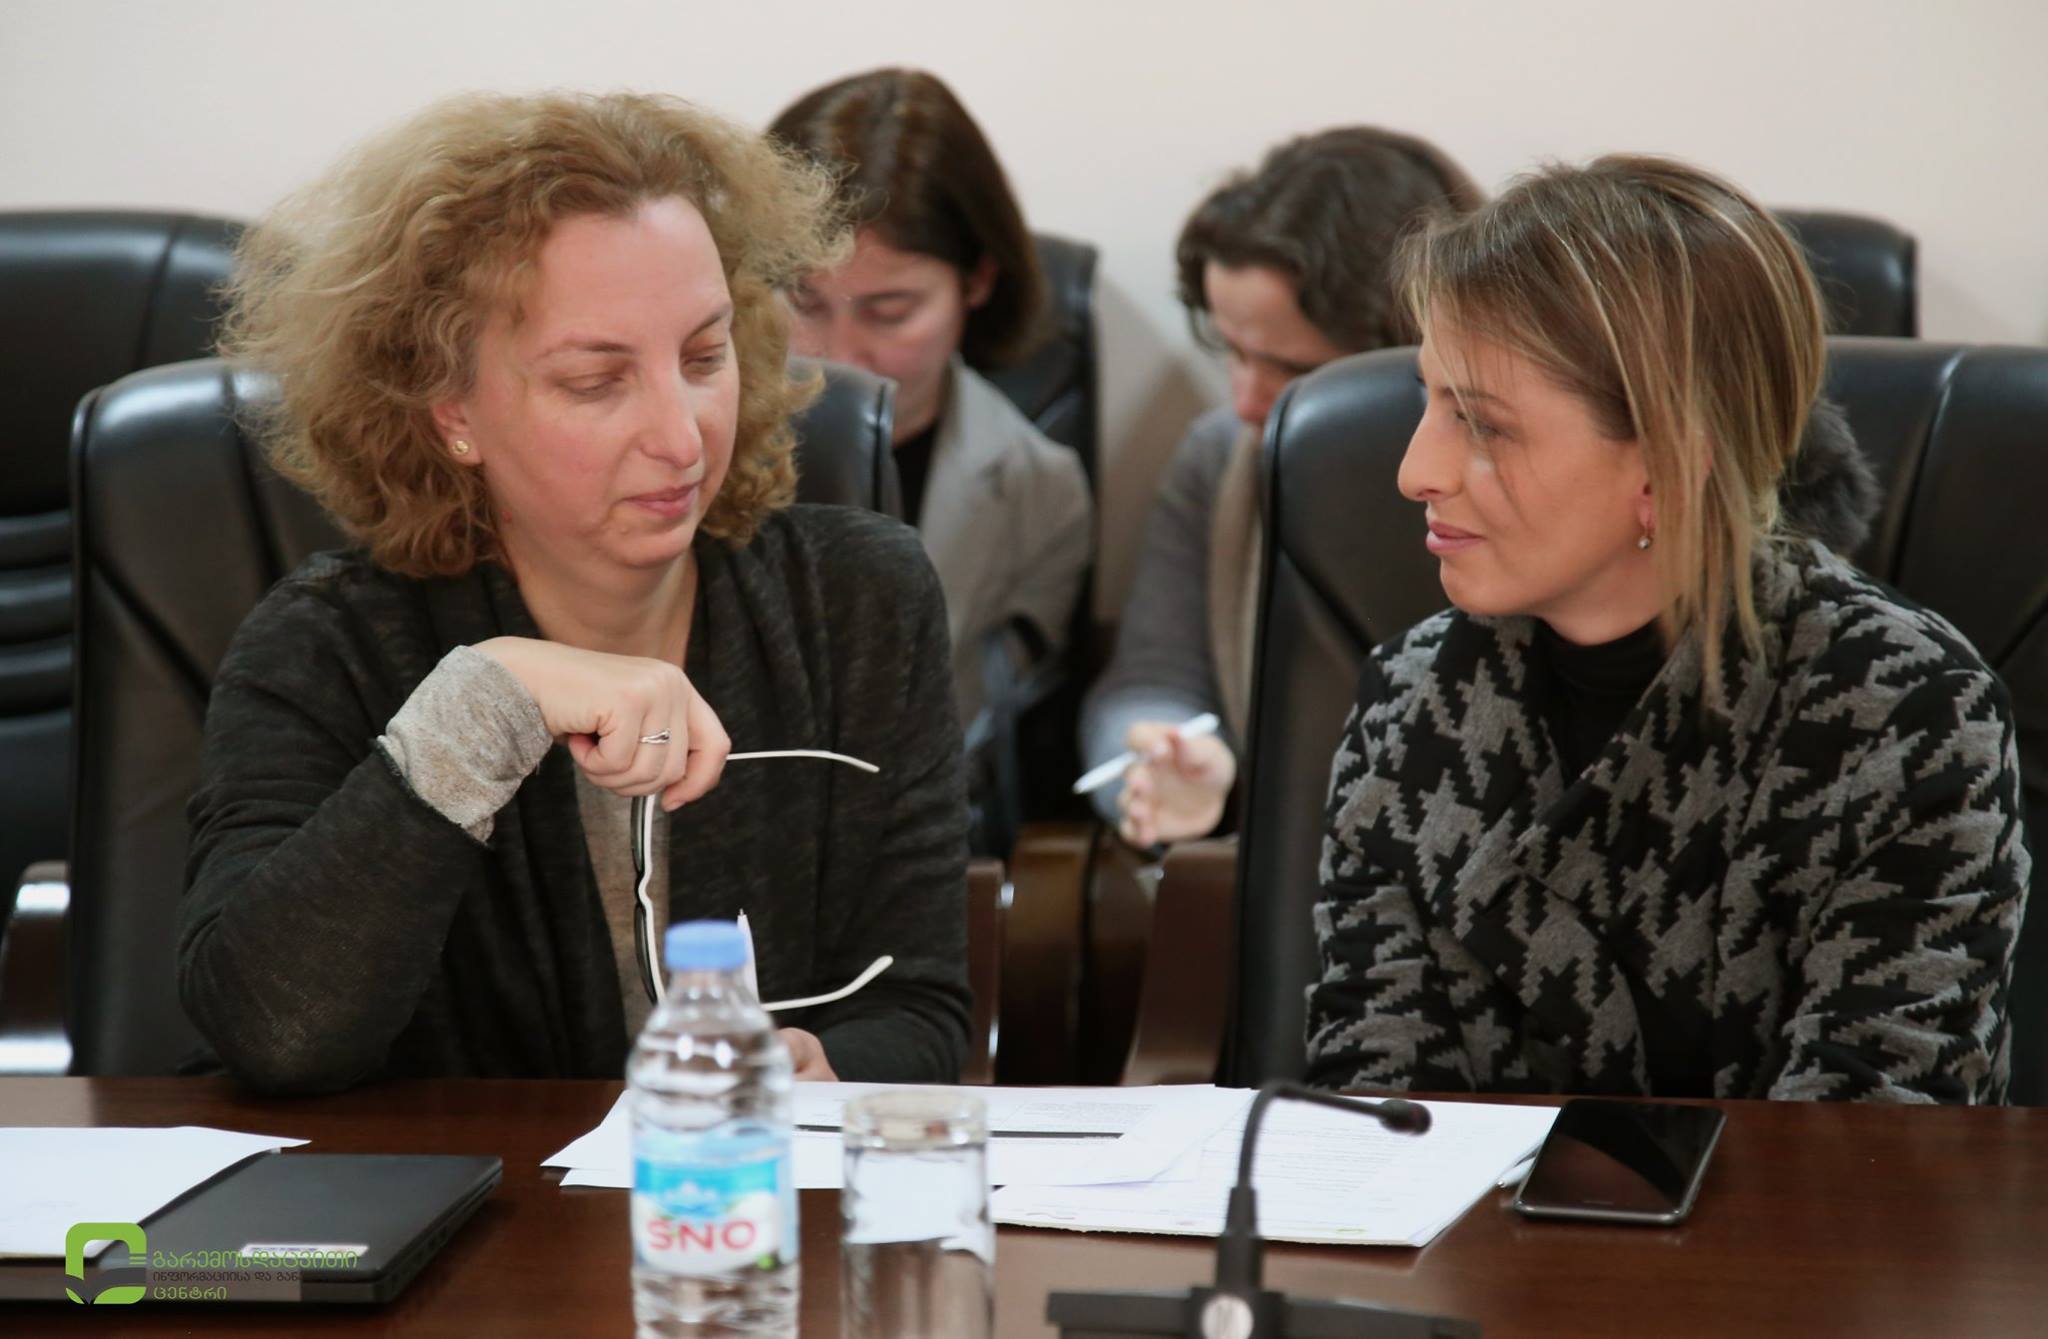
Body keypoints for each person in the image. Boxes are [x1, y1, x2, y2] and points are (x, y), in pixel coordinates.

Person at [183, 91, 971, 1096]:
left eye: (704, 356)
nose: (682, 437)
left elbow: (921, 1010)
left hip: (744, 1187)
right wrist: (486, 704)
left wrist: (829, 1067)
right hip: (474, 1201)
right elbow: (271, 1033)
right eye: (597, 381)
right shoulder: (324, 647)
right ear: (449, 408)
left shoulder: (860, 600)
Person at [1305, 155, 2029, 1103]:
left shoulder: (1903, 709)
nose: (1415, 471)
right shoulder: (1410, 700)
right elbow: (1374, 1111)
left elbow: (1873, 1141)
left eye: (1482, 425)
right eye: (1427, 400)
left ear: (1672, 462)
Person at [1082, 127, 1482, 848]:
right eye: (1231, 350)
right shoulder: (1220, 459)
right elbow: (1149, 680)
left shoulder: (1505, 489)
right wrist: (1161, 762)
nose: (1244, 400)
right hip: (1280, 860)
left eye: (1293, 371)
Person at [768, 68, 1092, 729]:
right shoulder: (683, 448)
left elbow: (976, 730)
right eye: (804, 300)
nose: (840, 358)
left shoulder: (1040, 491)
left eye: (889, 311)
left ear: (977, 281)